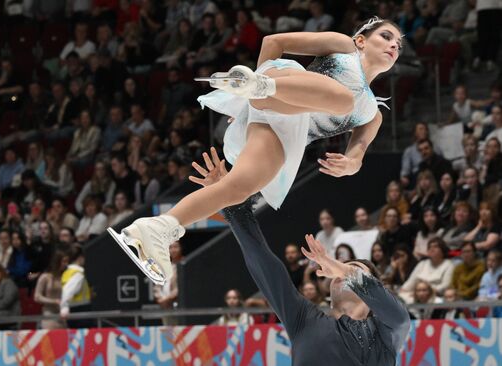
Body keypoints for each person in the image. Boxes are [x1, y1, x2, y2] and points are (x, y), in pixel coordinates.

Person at [111, 17, 404, 283]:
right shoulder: (344, 47)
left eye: (399, 44)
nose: (394, 44)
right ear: (362, 40)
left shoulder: (371, 113)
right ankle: (257, 86)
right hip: (277, 83)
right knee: (342, 100)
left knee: (239, 188)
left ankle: (157, 229)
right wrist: (256, 84)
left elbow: (358, 153)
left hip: (288, 129)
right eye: (387, 36)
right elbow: (273, 42)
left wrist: (350, 165)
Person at [196, 149, 409, 363]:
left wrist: (342, 270)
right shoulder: (304, 319)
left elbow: (399, 318)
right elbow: (265, 265)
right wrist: (230, 202)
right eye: (340, 270)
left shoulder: (385, 332)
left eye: (354, 268)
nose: (341, 272)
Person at [399, 237, 455, 303]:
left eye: (435, 247)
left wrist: (426, 292)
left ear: (442, 250)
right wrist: (403, 289)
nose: (432, 249)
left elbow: (445, 285)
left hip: (436, 296)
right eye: (430, 247)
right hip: (417, 294)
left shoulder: (448, 264)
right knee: (401, 297)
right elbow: (411, 280)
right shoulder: (422, 264)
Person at [60, 245, 92, 328]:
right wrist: (64, 307)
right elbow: (67, 292)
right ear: (80, 258)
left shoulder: (68, 272)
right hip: (80, 315)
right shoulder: (77, 274)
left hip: (76, 312)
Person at [34, 251, 68, 329]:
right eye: (64, 261)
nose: (66, 264)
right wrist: (54, 301)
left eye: (67, 261)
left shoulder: (64, 277)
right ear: (57, 261)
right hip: (49, 314)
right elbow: (37, 297)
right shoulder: (45, 277)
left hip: (62, 314)